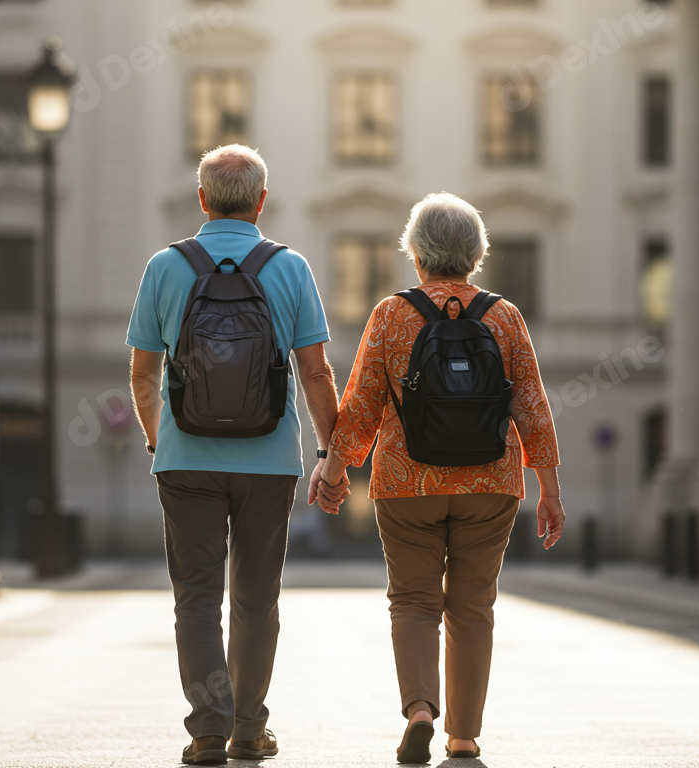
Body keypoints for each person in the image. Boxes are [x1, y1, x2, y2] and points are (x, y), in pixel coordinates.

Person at [317, 192, 566, 763]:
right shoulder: (504, 316)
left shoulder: (391, 314)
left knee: (412, 600)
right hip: (490, 482)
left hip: (407, 481)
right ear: (476, 253)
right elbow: (533, 407)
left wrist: (333, 474)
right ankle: (464, 735)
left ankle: (421, 709)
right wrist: (549, 490)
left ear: (415, 252)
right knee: (473, 604)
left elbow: (358, 406)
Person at [127, 145, 351, 766]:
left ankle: (207, 732)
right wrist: (333, 453)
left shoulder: (165, 267)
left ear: (200, 200)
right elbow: (315, 372)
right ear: (261, 201)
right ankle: (249, 730)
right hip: (269, 458)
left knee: (196, 597)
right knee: (256, 598)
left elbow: (144, 374)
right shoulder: (290, 268)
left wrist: (157, 438)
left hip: (185, 458)